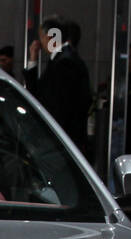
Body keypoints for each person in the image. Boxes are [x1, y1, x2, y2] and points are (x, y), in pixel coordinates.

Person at [25, 16, 92, 152]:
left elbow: (60, 106)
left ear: (51, 38)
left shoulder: (65, 63)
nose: (41, 43)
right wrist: (33, 59)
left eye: (42, 38)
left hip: (62, 141)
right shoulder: (60, 59)